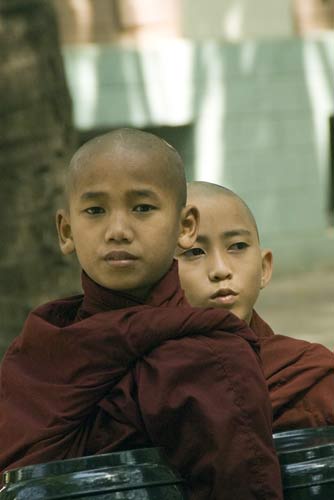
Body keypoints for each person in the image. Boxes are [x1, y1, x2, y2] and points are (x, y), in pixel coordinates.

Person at [0, 129, 283, 499]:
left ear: (185, 228)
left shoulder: (209, 359)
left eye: (143, 208)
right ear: (66, 231)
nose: (118, 231)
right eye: (95, 210)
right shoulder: (38, 351)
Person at [176, 181, 334, 432]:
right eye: (194, 252)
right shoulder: (148, 379)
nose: (221, 270)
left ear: (264, 268)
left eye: (237, 246)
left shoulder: (305, 373)